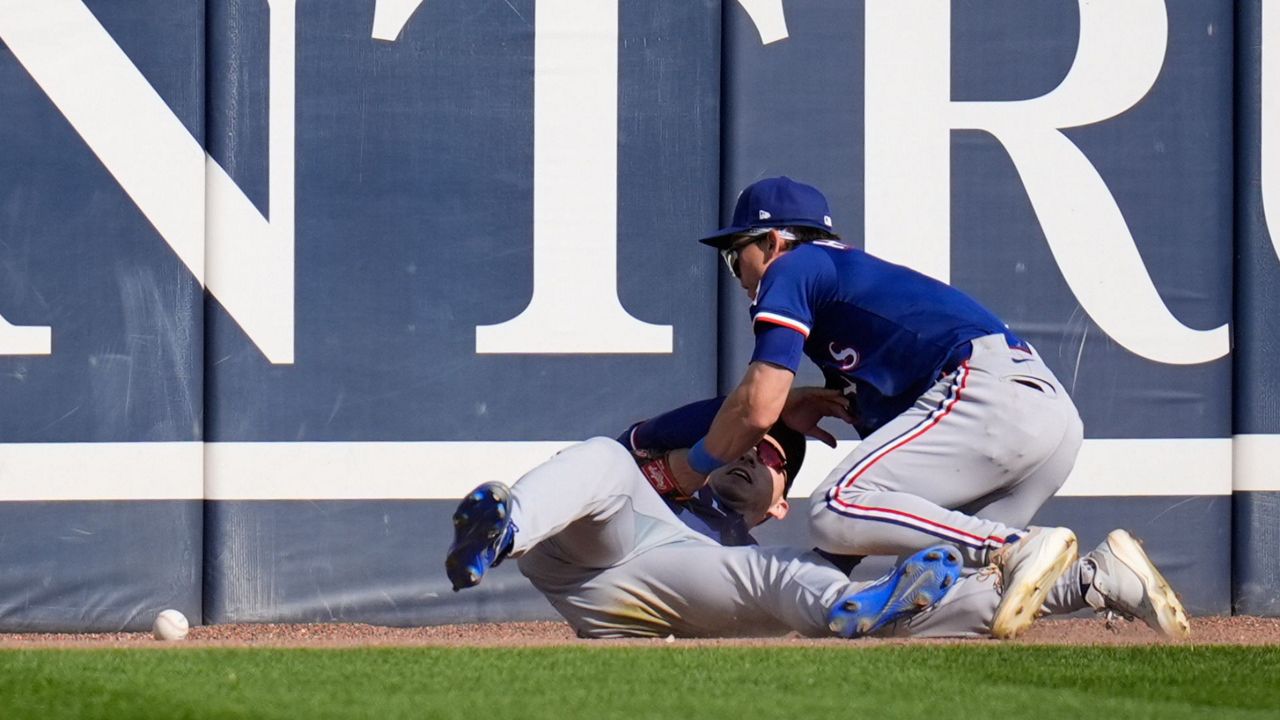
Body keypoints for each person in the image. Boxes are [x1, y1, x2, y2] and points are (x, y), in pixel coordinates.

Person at [663, 176, 1091, 639]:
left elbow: (756, 408)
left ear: (771, 242)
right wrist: (810, 582)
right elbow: (867, 521)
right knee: (938, 591)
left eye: (734, 256)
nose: (738, 275)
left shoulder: (793, 267)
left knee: (833, 506)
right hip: (1049, 418)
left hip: (990, 392)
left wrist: (692, 469)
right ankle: (1100, 579)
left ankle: (1015, 545)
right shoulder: (847, 297)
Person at [443, 397, 1189, 640]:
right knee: (604, 461)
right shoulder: (668, 466)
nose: (747, 457)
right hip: (585, 542)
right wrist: (773, 409)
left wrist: (1070, 582)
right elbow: (714, 425)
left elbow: (768, 558)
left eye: (768, 460)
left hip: (650, 599)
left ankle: (1094, 581)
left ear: (780, 503)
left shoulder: (761, 538)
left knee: (799, 581)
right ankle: (506, 523)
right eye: (747, 445)